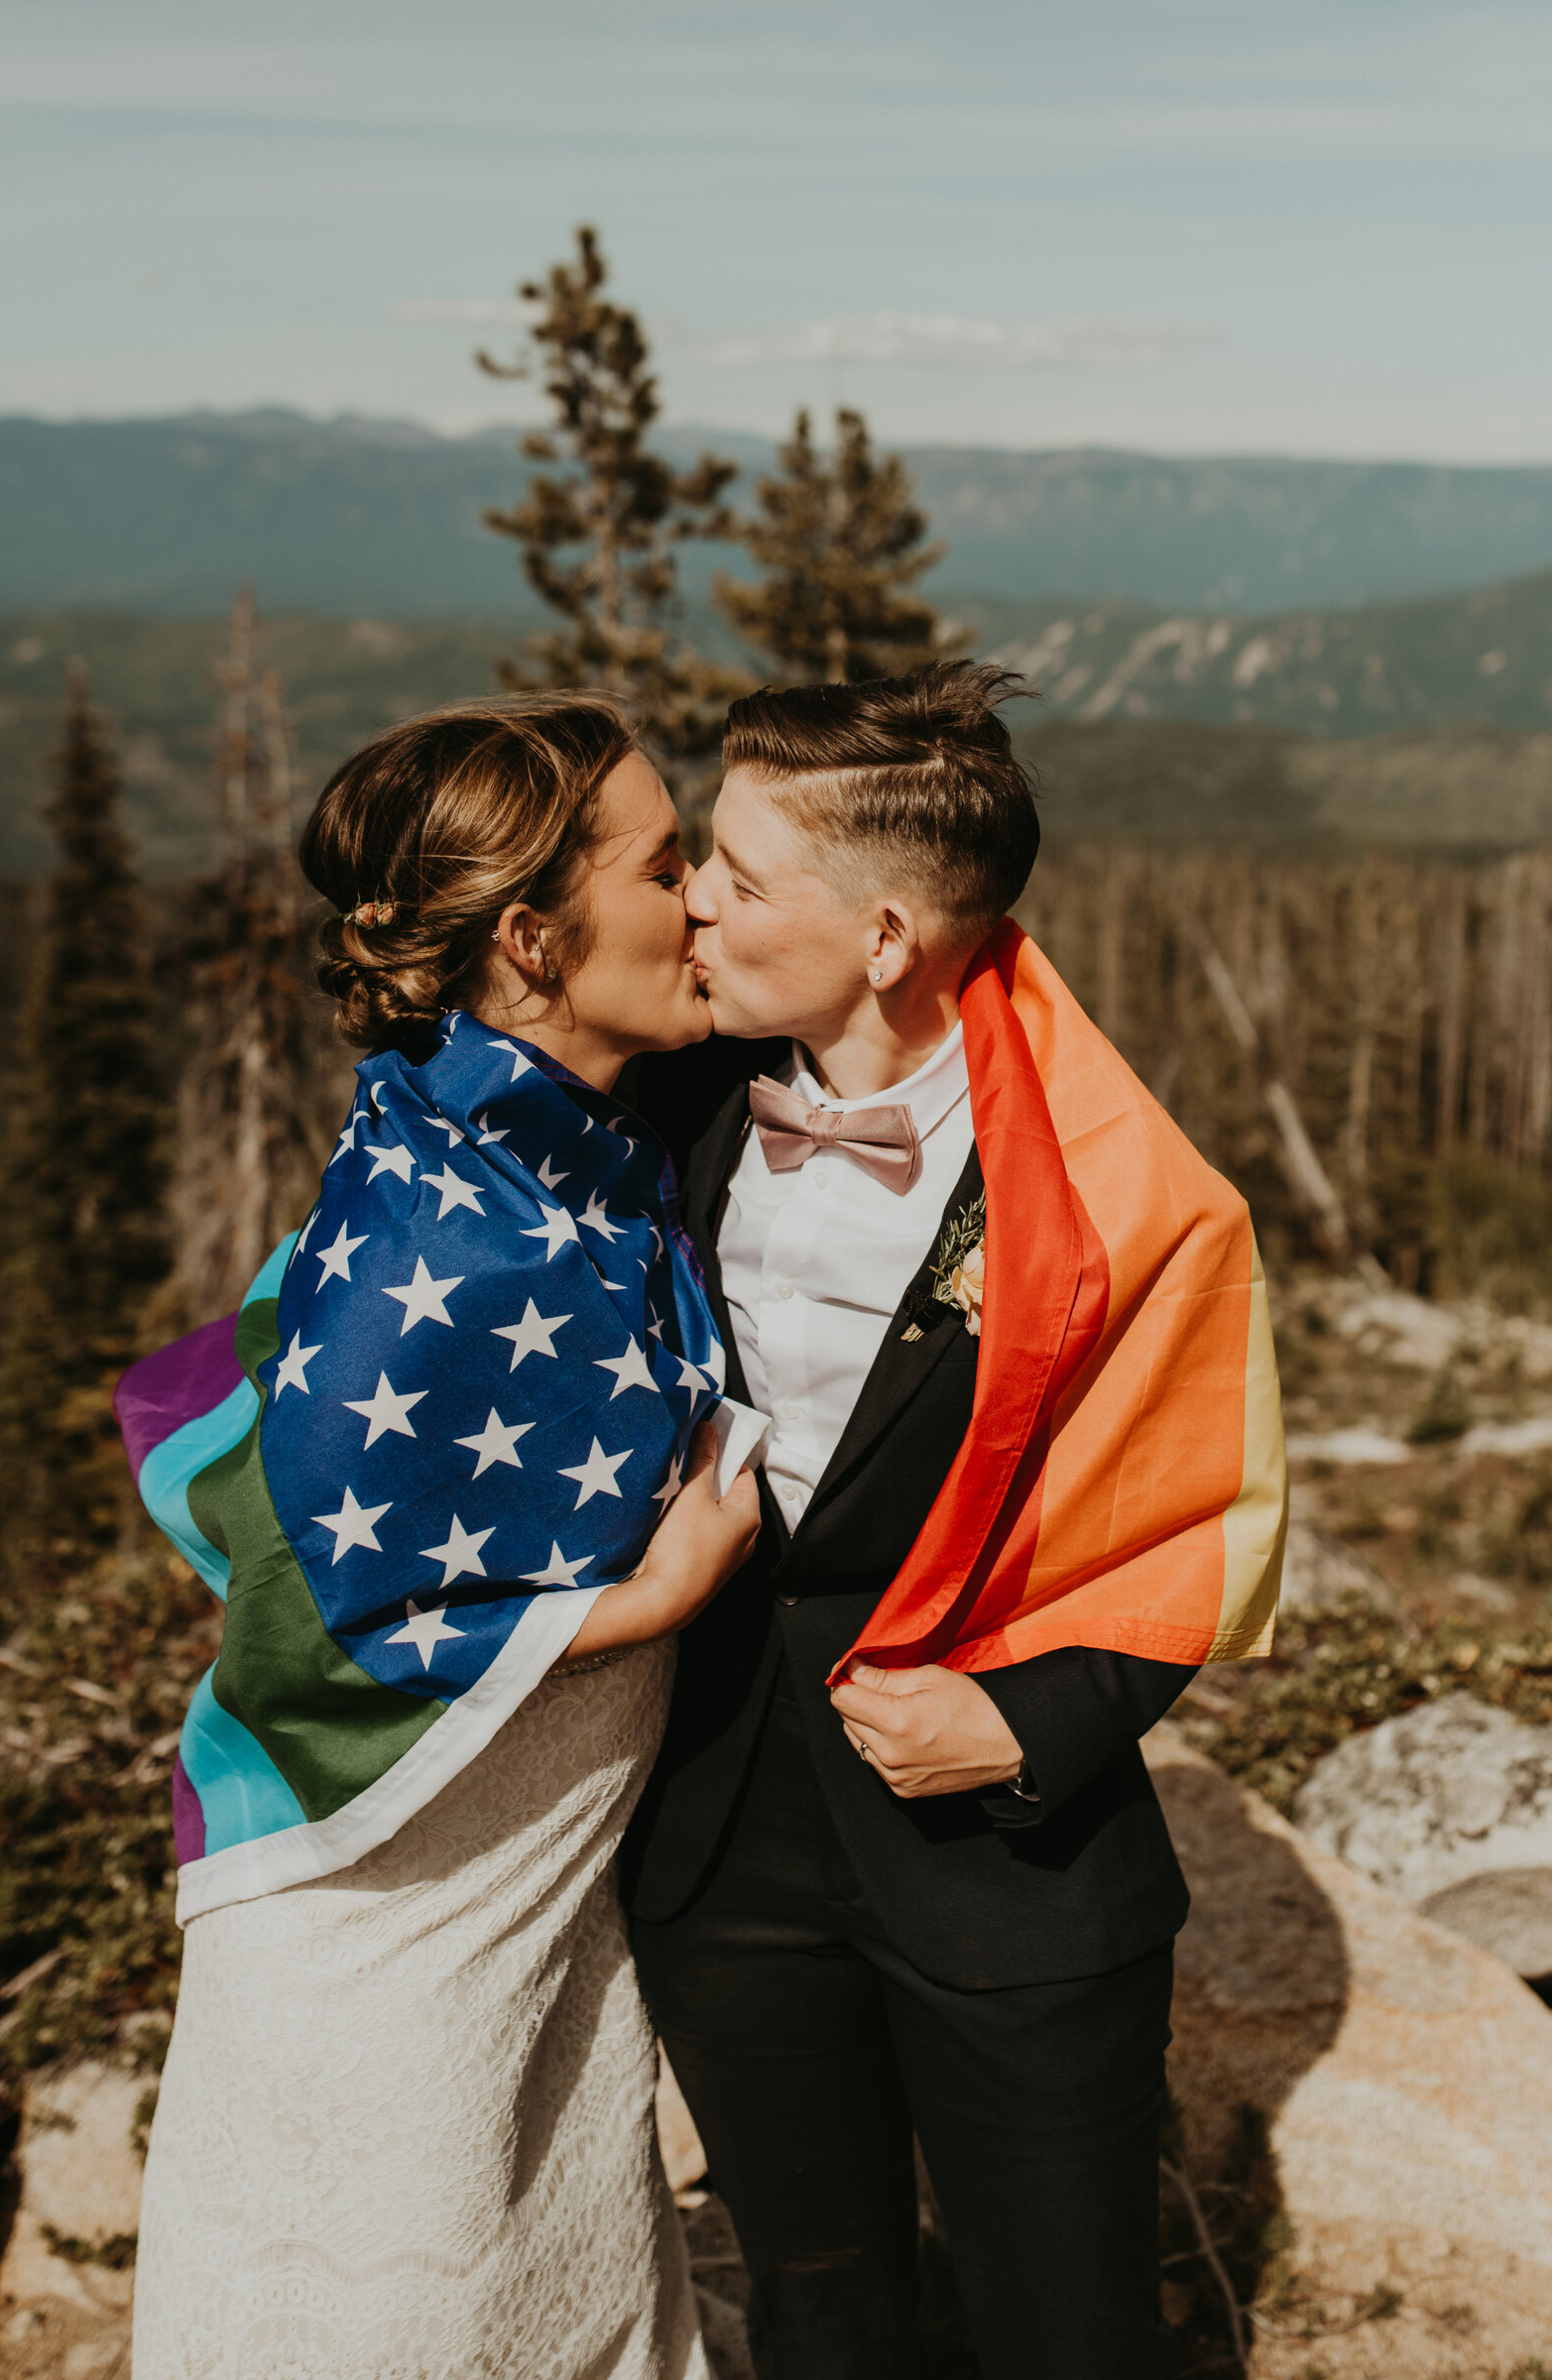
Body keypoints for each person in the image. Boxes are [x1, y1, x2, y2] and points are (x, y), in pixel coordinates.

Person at [621, 661, 1287, 2380]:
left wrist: (1022, 1719)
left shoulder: (1133, 1195)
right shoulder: (676, 1102)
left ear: (889, 932)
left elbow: (1193, 1506)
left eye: (741, 875)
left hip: (1004, 1873)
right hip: (722, 1838)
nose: (692, 891)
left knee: (1065, 2337)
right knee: (819, 2316)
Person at [117, 695, 760, 2380]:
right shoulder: (451, 1237)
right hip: (378, 1944)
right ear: (537, 941)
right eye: (670, 862)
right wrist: (659, 1592)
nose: (705, 902)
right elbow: (315, 1622)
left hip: (519, 1918)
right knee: (389, 2301)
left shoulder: (529, 1143)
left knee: (565, 2265)